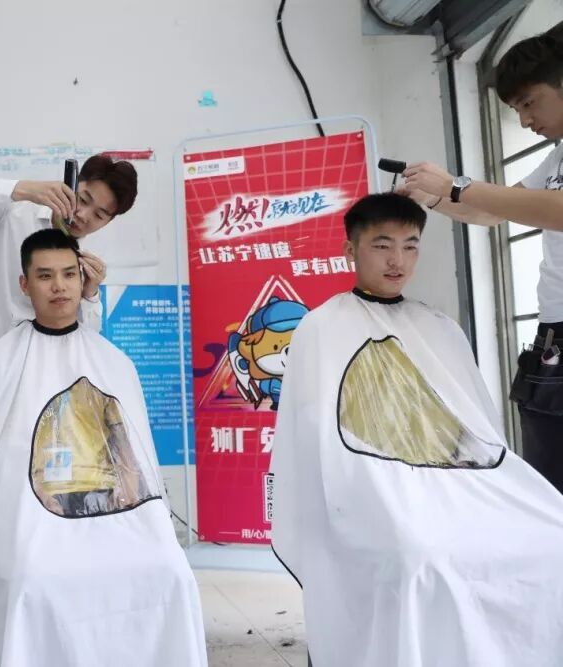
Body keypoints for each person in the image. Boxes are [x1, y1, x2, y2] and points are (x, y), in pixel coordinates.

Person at [270, 193, 563, 667]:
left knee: (552, 534)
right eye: (382, 245)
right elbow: (318, 439)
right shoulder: (320, 327)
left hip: (454, 485)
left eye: (410, 246)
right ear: (350, 249)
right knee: (420, 556)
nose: (398, 260)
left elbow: (479, 430)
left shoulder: (440, 327)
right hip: (368, 489)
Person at [0, 229, 207, 667]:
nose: (58, 286)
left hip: (115, 518)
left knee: (169, 568)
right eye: (45, 276)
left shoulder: (114, 363)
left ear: (83, 280)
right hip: (29, 525)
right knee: (31, 576)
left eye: (68, 274)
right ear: (25, 285)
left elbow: (136, 465)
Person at [0, 154, 137, 544]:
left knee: (35, 479)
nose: (84, 216)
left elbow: (82, 341)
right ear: (72, 185)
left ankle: (29, 567)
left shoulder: (80, 262)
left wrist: (89, 295)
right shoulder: (15, 211)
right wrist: (22, 189)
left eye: (100, 215)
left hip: (37, 380)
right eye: (84, 199)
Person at [398, 24, 563, 494]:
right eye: (516, 111)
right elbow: (493, 212)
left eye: (530, 103)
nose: (525, 121)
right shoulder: (555, 160)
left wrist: (456, 185)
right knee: (548, 485)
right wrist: (433, 197)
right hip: (553, 338)